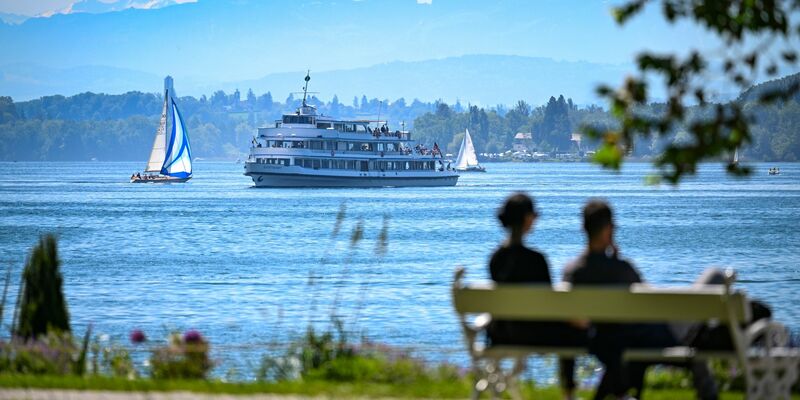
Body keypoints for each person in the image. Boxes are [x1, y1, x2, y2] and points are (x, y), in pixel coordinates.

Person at [563, 200, 719, 400]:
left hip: (612, 338)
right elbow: (650, 300)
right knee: (715, 276)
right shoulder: (622, 270)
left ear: (584, 229)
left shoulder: (573, 272)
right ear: (608, 230)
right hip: (661, 334)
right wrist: (616, 260)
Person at [488, 193, 586, 398]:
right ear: (527, 219)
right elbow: (549, 304)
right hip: (538, 334)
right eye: (535, 215)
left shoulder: (495, 259)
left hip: (504, 333)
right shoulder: (536, 260)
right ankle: (569, 393)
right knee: (573, 331)